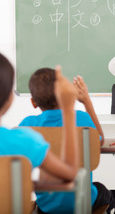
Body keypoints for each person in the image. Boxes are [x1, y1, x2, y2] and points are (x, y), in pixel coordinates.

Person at [19, 68, 113, 214]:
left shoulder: (28, 125)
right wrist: (86, 101)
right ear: (65, 95)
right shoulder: (81, 118)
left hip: (46, 204)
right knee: (104, 192)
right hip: (83, 200)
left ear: (33, 102)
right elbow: (99, 139)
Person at [0, 53, 79, 210]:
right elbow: (70, 173)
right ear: (10, 98)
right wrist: (69, 110)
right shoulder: (23, 141)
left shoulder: (26, 128)